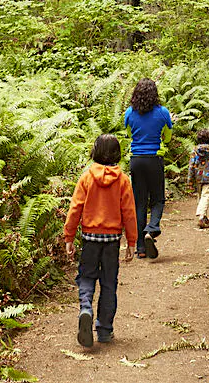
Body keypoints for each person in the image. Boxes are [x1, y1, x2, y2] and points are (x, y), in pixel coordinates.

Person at [62, 134, 138, 348]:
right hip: (112, 240)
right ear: (117, 154)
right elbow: (129, 213)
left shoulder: (86, 178)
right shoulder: (123, 180)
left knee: (86, 277)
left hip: (89, 239)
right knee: (108, 283)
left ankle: (85, 307)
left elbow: (75, 208)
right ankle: (104, 330)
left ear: (95, 152)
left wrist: (69, 236)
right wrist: (131, 241)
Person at [122, 78, 172, 259]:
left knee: (139, 202)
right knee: (158, 199)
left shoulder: (129, 113)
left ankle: (141, 248)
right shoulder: (163, 113)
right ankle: (152, 229)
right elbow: (167, 137)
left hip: (136, 160)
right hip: (154, 159)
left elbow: (129, 134)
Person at [187, 128, 209, 228]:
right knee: (206, 196)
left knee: (201, 196)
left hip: (198, 176)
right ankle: (201, 216)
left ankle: (203, 216)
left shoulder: (194, 151)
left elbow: (191, 165)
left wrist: (190, 179)